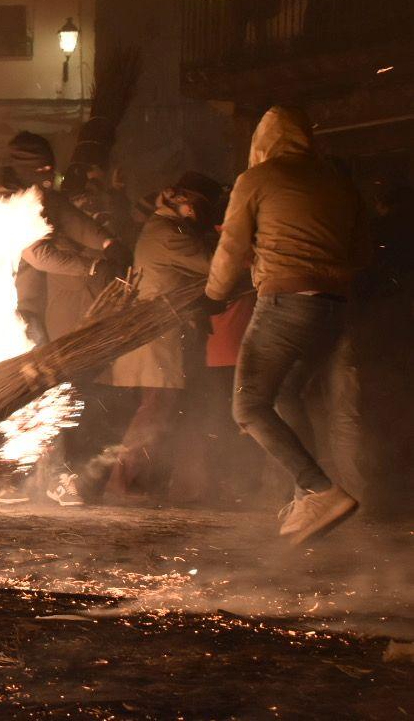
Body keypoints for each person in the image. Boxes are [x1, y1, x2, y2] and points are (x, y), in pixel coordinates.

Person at [204, 105, 370, 544]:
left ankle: (319, 490)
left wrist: (213, 296)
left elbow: (231, 245)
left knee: (249, 405)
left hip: (285, 301)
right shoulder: (338, 183)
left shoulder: (256, 179)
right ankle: (306, 495)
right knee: (287, 394)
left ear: (261, 143)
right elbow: (360, 250)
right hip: (334, 307)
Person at [0, 132, 127, 506]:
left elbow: (72, 217)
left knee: (47, 391)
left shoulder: (44, 198)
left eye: (51, 167)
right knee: (39, 392)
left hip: (33, 314)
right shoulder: (9, 204)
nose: (50, 175)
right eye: (42, 168)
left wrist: (109, 243)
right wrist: (92, 265)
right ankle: (19, 477)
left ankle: (26, 477)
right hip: (8, 315)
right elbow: (38, 253)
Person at [104, 172, 222, 502]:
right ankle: (121, 484)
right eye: (199, 205)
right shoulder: (170, 234)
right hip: (157, 336)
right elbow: (214, 266)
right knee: (154, 410)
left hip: (163, 335)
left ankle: (138, 484)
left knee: (161, 411)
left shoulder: (170, 229)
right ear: (182, 200)